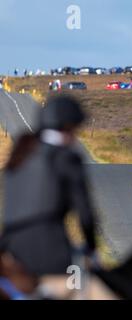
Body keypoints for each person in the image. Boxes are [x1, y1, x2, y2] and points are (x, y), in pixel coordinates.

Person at [0, 94, 98, 277]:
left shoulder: (20, 152)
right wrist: (92, 248)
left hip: (8, 246)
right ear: (69, 126)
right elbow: (85, 212)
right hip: (47, 247)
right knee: (89, 287)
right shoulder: (66, 157)